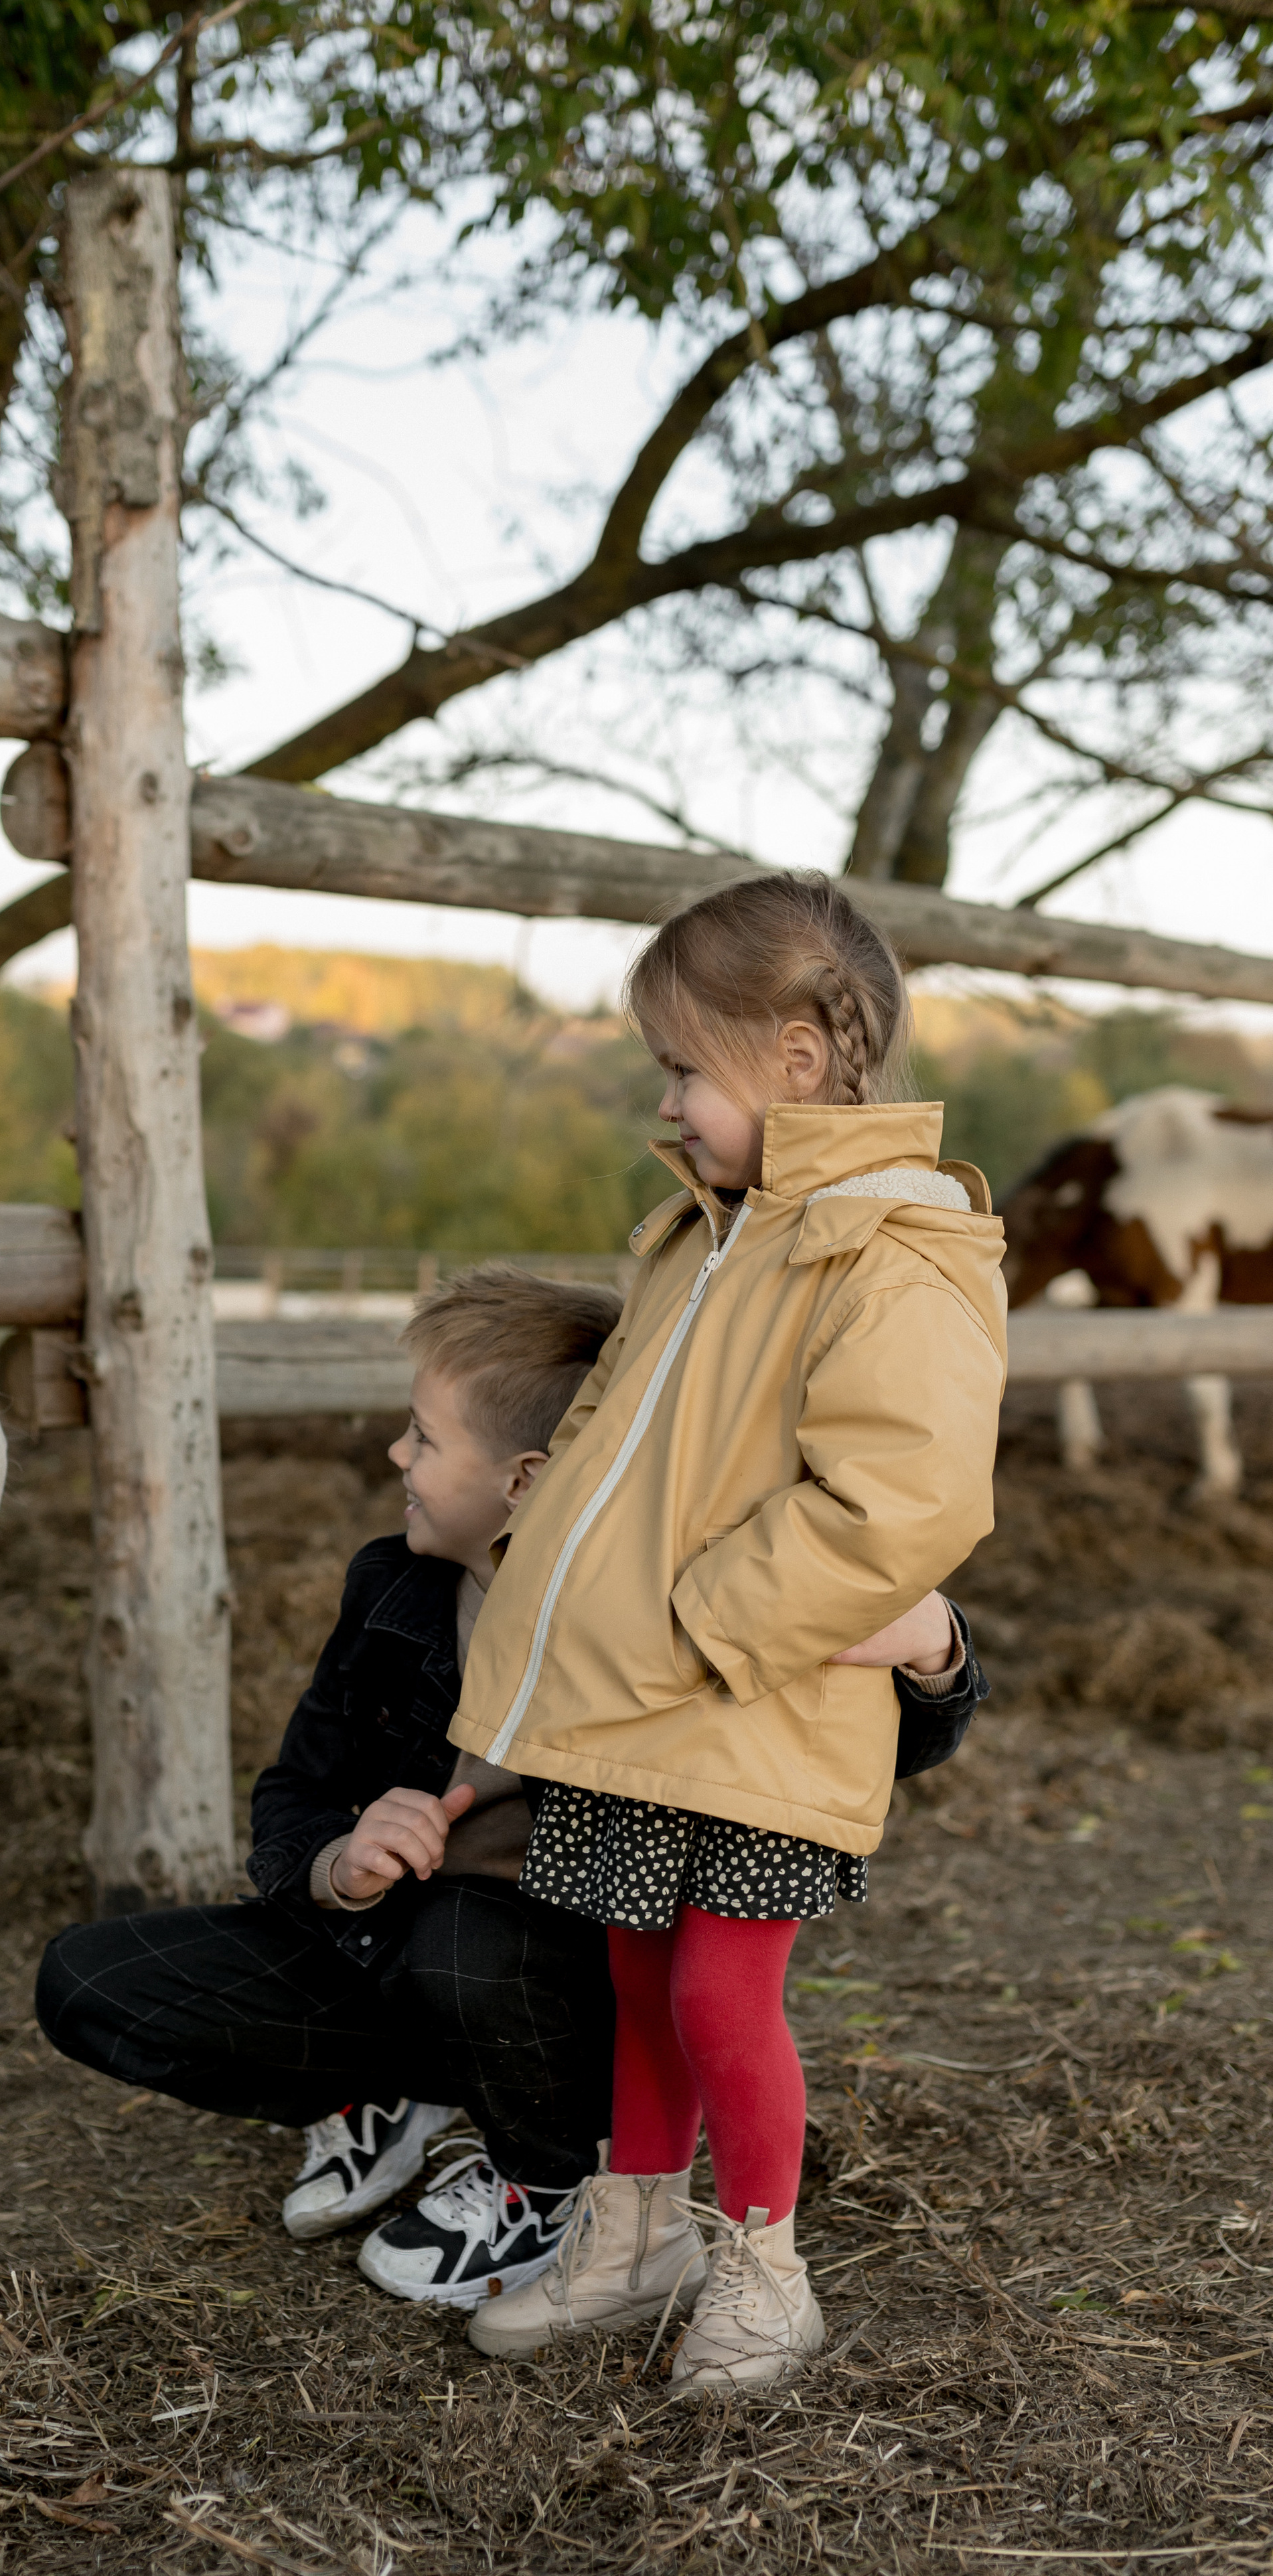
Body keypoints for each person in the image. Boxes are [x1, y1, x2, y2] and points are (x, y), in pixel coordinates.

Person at [35, 1258, 989, 2315]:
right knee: (87, 1979)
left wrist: (937, 1648)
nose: (396, 1452)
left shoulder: (672, 1614)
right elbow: (295, 1788)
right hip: (390, 1944)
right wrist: (337, 1862)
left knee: (463, 1937)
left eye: (425, 1436)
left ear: (528, 1479)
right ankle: (391, 2096)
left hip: (551, 1983)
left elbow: (832, 1752)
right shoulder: (391, 1587)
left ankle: (549, 2176)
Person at [450, 874, 1006, 2392]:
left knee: (717, 1990)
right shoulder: (702, 1237)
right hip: (643, 1701)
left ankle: (765, 2263)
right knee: (631, 1971)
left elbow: (902, 1499)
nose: (669, 1102)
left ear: (797, 1061)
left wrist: (708, 1617)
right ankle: (638, 2233)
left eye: (684, 1069)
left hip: (755, 1700)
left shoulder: (889, 1248)